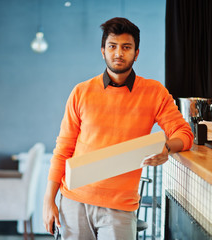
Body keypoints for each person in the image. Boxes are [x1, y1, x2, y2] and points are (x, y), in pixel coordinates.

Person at [43, 17, 193, 239]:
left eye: (126, 47)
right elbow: (63, 149)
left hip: (120, 207)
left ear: (136, 53)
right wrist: (48, 200)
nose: (118, 53)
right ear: (103, 50)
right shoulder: (81, 92)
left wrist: (167, 148)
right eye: (112, 46)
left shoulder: (154, 92)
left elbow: (185, 134)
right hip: (74, 202)